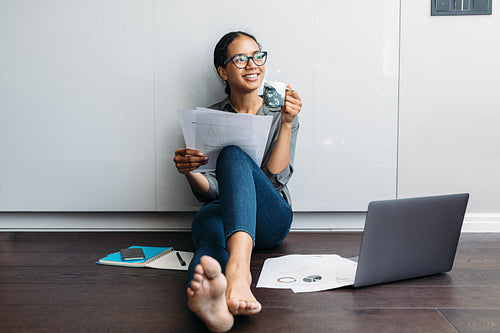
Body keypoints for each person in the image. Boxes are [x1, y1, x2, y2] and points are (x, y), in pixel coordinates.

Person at [173, 31, 302, 332]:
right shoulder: (210, 118)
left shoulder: (281, 109)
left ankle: (239, 272)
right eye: (240, 59)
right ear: (223, 71)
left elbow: (275, 179)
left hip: (269, 218)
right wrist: (189, 171)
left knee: (232, 155)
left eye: (257, 56)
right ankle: (210, 300)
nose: (252, 64)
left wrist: (286, 123)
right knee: (209, 232)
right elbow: (212, 192)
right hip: (222, 213)